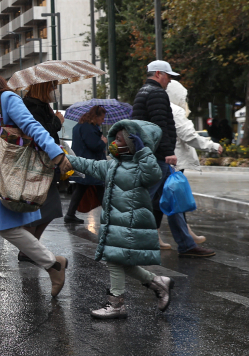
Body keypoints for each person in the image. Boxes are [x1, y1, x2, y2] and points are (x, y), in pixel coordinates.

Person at [0, 62, 72, 299]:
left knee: (5, 228)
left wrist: (57, 153)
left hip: (6, 176)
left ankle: (53, 264)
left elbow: (33, 127)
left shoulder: (7, 99)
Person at [67, 121, 174, 319]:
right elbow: (89, 165)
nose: (113, 142)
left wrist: (143, 152)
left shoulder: (140, 167)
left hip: (129, 223)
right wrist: (65, 157)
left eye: (119, 139)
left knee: (115, 259)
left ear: (133, 144)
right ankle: (158, 282)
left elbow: (153, 174)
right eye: (114, 138)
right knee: (121, 261)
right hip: (116, 223)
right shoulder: (114, 165)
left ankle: (116, 303)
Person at [131, 61, 214, 258]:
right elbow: (161, 125)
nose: (169, 81)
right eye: (168, 76)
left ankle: (186, 244)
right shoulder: (157, 93)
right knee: (143, 201)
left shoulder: (142, 92)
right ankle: (128, 242)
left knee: (173, 199)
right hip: (158, 156)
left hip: (148, 154)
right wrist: (168, 152)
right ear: (158, 74)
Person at [165, 80, 223, 246]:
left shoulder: (160, 108)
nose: (185, 100)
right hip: (175, 161)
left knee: (167, 199)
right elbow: (189, 136)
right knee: (173, 200)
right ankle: (185, 239)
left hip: (168, 160)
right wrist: (212, 145)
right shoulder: (175, 111)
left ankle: (185, 234)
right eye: (183, 96)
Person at [18, 81, 65, 260]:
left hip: (46, 163)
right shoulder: (31, 106)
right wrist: (57, 121)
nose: (55, 91)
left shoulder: (44, 106)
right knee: (35, 210)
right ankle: (28, 250)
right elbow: (41, 134)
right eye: (53, 87)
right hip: (36, 164)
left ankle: (30, 248)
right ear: (43, 88)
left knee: (51, 209)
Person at [64, 105, 108, 224]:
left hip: (82, 163)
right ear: (96, 116)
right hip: (90, 164)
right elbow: (94, 145)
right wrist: (103, 142)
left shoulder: (80, 126)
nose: (103, 120)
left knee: (81, 188)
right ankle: (109, 216)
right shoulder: (88, 128)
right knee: (99, 188)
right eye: (102, 118)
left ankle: (70, 214)